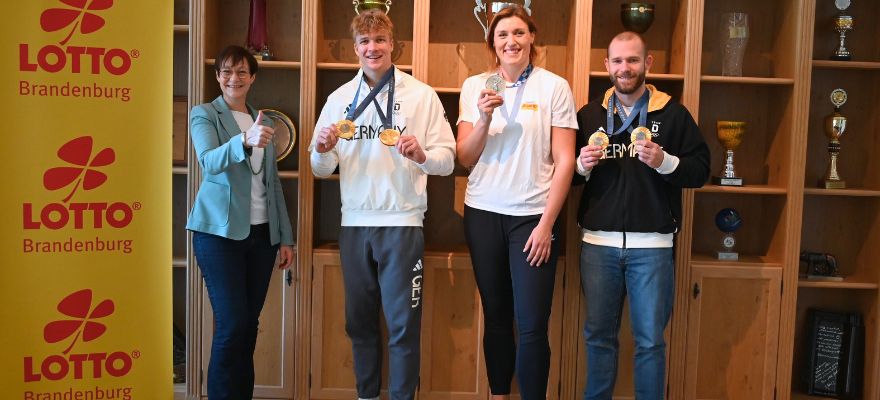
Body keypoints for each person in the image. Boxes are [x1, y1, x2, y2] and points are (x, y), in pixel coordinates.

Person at [308, 9, 456, 400]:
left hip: (402, 224)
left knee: (403, 326)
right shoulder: (339, 99)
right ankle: (366, 395)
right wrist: (323, 149)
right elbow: (319, 167)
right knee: (359, 324)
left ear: (393, 45)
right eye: (364, 41)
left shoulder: (421, 96)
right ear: (355, 48)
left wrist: (423, 155)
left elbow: (448, 160)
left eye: (379, 40)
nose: (372, 48)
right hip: (355, 225)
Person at [574, 32, 710, 400]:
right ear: (606, 66)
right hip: (597, 246)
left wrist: (665, 162)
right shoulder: (588, 115)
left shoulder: (675, 114)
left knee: (650, 342)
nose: (625, 68)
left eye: (633, 60)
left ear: (647, 64)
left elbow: (701, 171)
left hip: (652, 248)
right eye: (617, 61)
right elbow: (564, 177)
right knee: (599, 338)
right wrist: (581, 165)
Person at [456, 5, 577, 399]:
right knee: (496, 318)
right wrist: (484, 118)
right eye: (503, 34)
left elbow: (565, 160)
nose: (512, 41)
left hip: (532, 219)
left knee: (532, 324)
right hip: (483, 214)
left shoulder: (554, 87)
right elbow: (465, 156)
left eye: (519, 33)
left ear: (532, 39)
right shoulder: (475, 86)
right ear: (492, 43)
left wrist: (546, 225)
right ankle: (498, 394)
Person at [186, 45, 295, 400]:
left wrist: (285, 237)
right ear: (217, 76)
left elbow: (272, 182)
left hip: (262, 235)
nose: (234, 79)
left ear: (252, 78)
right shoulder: (204, 114)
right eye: (227, 72)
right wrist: (243, 141)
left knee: (249, 327)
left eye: (242, 73)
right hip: (218, 235)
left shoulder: (262, 119)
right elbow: (208, 161)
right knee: (231, 326)